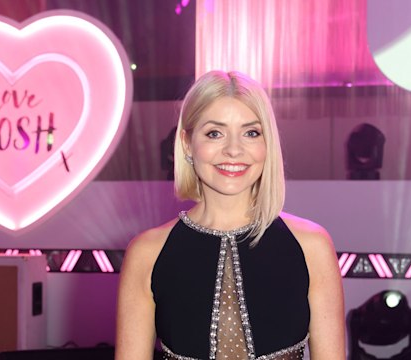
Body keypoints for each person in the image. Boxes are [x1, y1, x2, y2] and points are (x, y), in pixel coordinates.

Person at [116, 71, 345, 360]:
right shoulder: (147, 252)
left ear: (267, 145)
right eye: (215, 133)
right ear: (187, 143)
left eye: (251, 133)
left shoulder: (312, 246)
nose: (234, 150)